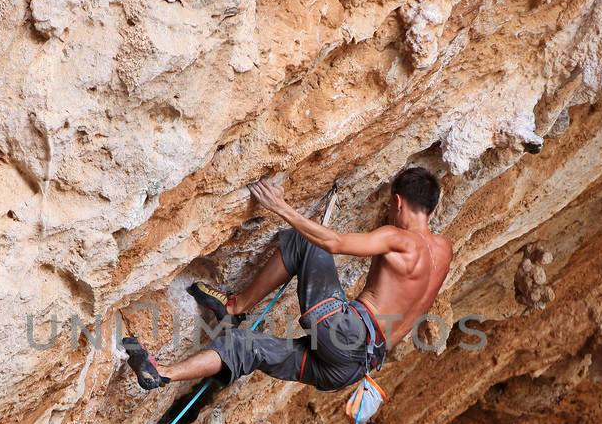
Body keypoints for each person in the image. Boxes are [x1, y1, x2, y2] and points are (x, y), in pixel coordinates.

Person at [122, 166, 453, 394]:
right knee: (244, 347)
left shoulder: (400, 238)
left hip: (346, 334)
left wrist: (283, 209)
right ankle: (161, 372)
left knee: (303, 240)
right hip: (353, 368)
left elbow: (335, 243)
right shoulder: (445, 252)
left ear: (397, 202)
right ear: (432, 211)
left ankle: (235, 305)